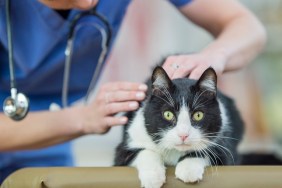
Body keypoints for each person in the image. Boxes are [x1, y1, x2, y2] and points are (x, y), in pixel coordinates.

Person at [0, 0, 266, 183]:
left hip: (51, 147)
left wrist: (216, 56)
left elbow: (249, 28)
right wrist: (80, 119)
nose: (89, 3)